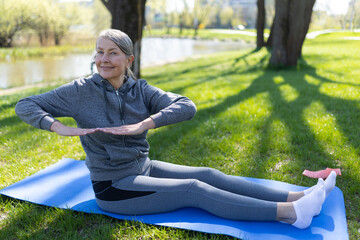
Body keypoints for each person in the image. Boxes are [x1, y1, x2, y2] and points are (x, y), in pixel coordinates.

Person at [15, 29, 337, 229]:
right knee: (193, 189)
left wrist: (146, 122)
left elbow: (186, 105)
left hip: (144, 167)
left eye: (112, 52)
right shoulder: (79, 91)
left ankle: (302, 194)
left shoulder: (139, 89)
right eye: (99, 52)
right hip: (114, 187)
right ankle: (291, 213)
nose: (103, 59)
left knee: (208, 174)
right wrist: (58, 126)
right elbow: (25, 105)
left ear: (128, 59)